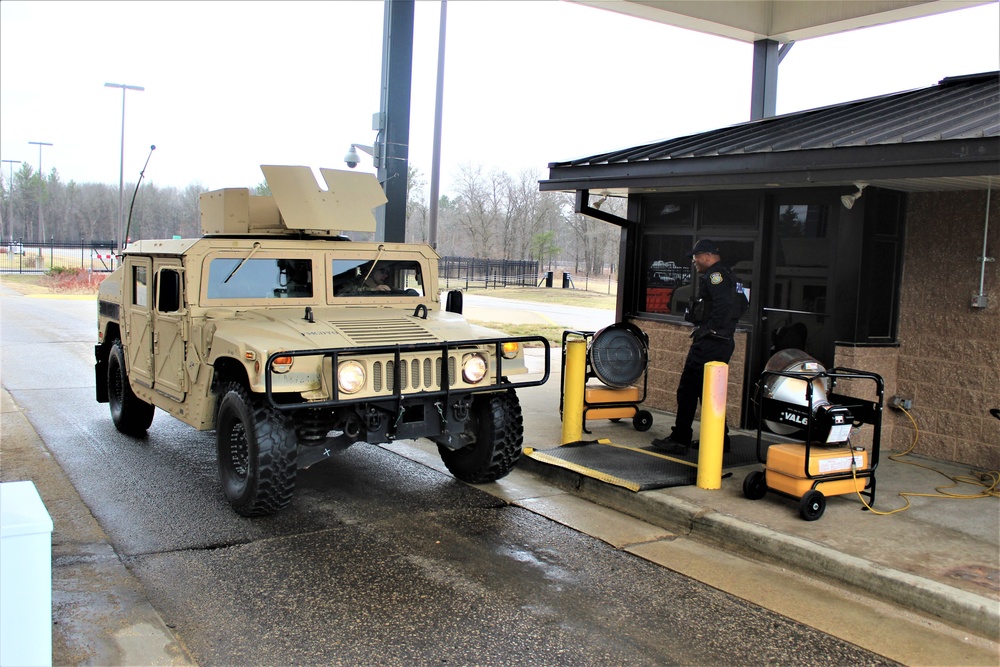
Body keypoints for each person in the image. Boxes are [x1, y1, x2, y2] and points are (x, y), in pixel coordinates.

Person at [652, 239, 740, 455]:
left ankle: (680, 438)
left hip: (711, 343)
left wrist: (709, 329)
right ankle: (720, 439)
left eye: (696, 257)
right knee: (709, 391)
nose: (694, 261)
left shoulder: (715, 276)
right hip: (721, 341)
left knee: (688, 389)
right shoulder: (728, 275)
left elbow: (725, 307)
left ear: (707, 256)